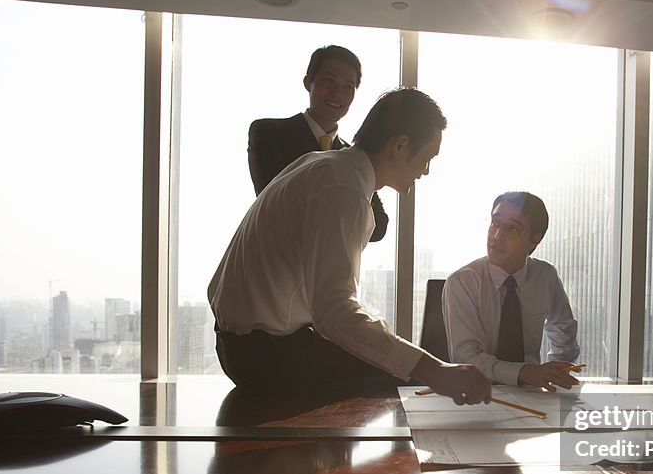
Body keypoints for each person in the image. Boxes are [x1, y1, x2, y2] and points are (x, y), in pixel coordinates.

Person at [209, 87, 491, 406]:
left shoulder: (323, 164)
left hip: (241, 346)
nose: (426, 171)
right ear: (401, 145)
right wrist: (437, 370)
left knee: (400, 365)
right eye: (428, 157)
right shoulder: (342, 187)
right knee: (407, 378)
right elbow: (334, 311)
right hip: (266, 356)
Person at [247, 45, 388, 242]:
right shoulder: (269, 133)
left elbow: (378, 225)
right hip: (276, 264)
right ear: (308, 82)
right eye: (329, 81)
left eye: (348, 86)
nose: (337, 93)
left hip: (327, 266)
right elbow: (274, 204)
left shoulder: (354, 154)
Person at [443, 192, 580, 391]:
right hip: (475, 393)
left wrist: (556, 371)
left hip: (533, 394)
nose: (497, 236)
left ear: (534, 241)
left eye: (512, 228)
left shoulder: (545, 275)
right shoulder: (462, 282)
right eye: (495, 223)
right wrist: (525, 372)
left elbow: (564, 331)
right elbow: (467, 358)